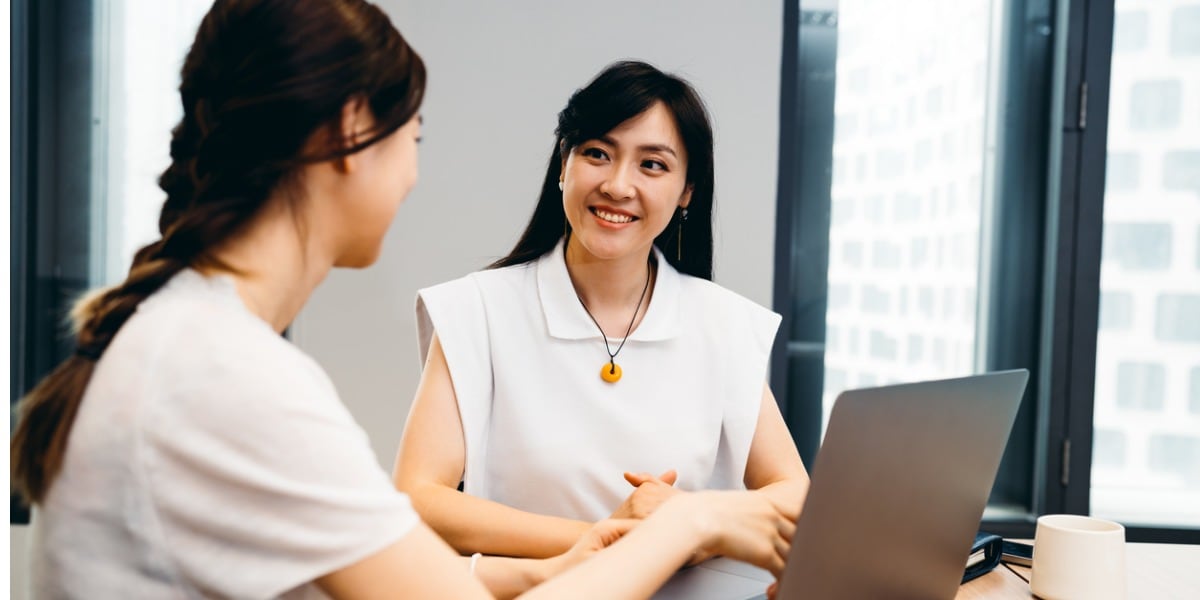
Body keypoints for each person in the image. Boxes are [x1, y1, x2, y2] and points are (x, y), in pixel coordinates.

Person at [8, 3, 794, 598]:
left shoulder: (193, 342)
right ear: (352, 132)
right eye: (412, 138)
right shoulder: (227, 378)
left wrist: (550, 566)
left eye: (654, 166)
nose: (415, 174)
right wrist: (691, 520)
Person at [394, 61, 810, 560]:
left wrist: (692, 523)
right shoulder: (477, 310)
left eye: (651, 164)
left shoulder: (723, 323)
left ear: (687, 192)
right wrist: (611, 541)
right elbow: (418, 498)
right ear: (563, 165)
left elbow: (794, 494)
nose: (617, 185)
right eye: (597, 153)